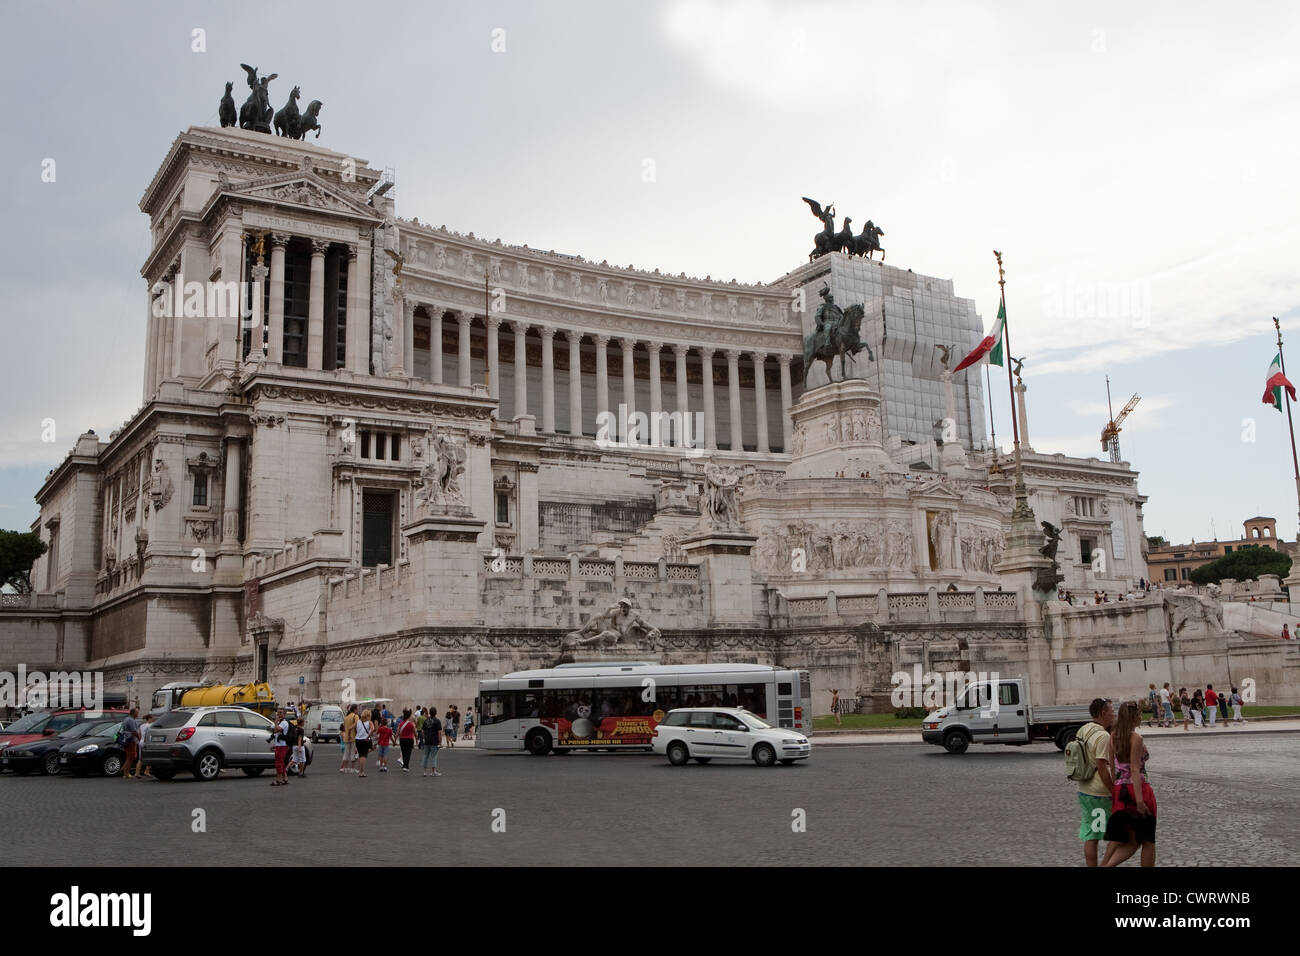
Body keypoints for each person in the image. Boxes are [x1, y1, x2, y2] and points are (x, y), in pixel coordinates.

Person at [1102, 701, 1157, 867]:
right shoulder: (1136, 738)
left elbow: (1112, 767)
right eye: (1139, 714)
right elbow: (1134, 769)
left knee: (1132, 841)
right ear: (1134, 717)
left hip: (1120, 790)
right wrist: (1139, 801)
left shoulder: (1113, 736)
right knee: (1148, 840)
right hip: (1138, 790)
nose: (1141, 717)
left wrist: (1115, 792)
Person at [1074, 698, 1115, 867]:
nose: (1114, 714)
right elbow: (1102, 767)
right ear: (1103, 713)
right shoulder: (1103, 736)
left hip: (1084, 787)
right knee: (1111, 834)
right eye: (1111, 711)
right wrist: (1114, 791)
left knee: (1092, 833)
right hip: (1099, 792)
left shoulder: (1083, 730)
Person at [120, 707, 141, 779]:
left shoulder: (126, 719)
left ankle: (124, 769)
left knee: (129, 756)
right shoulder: (131, 720)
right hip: (131, 740)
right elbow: (134, 731)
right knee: (131, 757)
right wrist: (139, 738)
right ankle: (126, 772)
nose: (138, 714)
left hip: (126, 739)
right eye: (137, 712)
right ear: (134, 713)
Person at [271, 708, 290, 786]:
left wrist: (275, 722)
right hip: (279, 745)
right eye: (278, 712)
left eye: (280, 713)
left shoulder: (284, 723)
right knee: (281, 762)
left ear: (284, 714)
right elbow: (275, 731)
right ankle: (285, 778)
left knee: (279, 763)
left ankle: (278, 780)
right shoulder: (280, 722)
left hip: (282, 746)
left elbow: (277, 729)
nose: (278, 714)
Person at [132, 712, 154, 778]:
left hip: (141, 742)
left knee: (141, 758)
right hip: (146, 742)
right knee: (150, 757)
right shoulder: (150, 726)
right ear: (149, 719)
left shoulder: (142, 725)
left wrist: (141, 740)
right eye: (152, 719)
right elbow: (149, 735)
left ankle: (138, 773)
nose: (152, 720)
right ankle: (146, 771)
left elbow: (139, 734)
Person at [422, 706, 443, 777]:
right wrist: (440, 742)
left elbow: (422, 731)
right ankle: (433, 771)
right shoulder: (437, 721)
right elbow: (439, 732)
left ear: (430, 713)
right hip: (434, 741)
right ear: (436, 713)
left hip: (427, 740)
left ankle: (424, 771)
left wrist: (424, 738)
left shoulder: (426, 721)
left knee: (425, 756)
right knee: (434, 756)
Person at [355, 709, 374, 777]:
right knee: (363, 756)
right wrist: (368, 736)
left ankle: (360, 771)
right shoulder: (369, 722)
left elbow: (353, 728)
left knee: (360, 755)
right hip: (364, 740)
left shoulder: (358, 721)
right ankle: (362, 772)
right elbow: (372, 729)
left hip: (357, 740)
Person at [340, 703, 358, 773]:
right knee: (353, 753)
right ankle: (352, 769)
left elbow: (344, 727)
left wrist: (348, 729)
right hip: (353, 737)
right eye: (357, 709)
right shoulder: (355, 716)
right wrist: (351, 728)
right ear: (355, 709)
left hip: (346, 737)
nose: (357, 711)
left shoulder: (346, 717)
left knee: (346, 753)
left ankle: (345, 768)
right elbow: (357, 724)